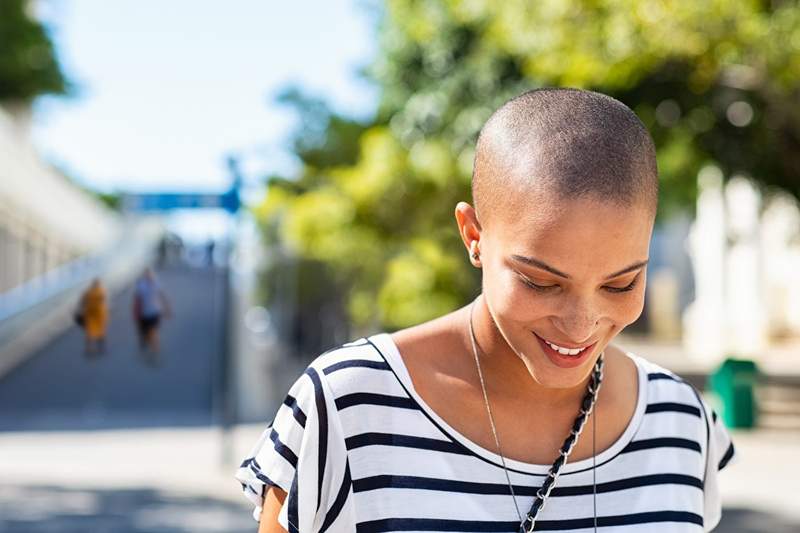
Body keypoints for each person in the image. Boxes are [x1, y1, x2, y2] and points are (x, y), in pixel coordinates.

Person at [235, 89, 735, 532]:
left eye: (621, 282)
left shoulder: (681, 421)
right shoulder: (350, 405)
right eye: (541, 282)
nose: (582, 322)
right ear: (474, 236)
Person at [132, 267, 172, 364]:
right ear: (144, 275)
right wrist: (135, 313)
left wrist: (167, 309)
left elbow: (163, 296)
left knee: (153, 333)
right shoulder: (141, 286)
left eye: (151, 274)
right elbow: (137, 300)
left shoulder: (157, 284)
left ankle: (155, 354)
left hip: (155, 313)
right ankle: (148, 345)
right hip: (143, 314)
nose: (150, 276)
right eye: (148, 274)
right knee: (146, 334)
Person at [78, 277, 108, 357]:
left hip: (90, 314)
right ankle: (101, 347)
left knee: (89, 332)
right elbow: (103, 301)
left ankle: (89, 349)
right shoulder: (101, 291)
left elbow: (82, 302)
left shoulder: (88, 292)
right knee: (100, 331)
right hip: (99, 314)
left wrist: (81, 309)